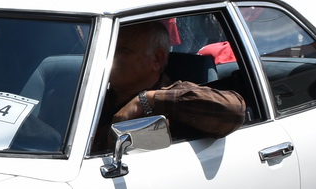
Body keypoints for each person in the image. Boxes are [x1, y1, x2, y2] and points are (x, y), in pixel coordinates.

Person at [90, 21, 247, 154]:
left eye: (123, 50)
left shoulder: (177, 95)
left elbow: (234, 110)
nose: (109, 58)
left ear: (157, 59)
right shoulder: (90, 97)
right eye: (109, 50)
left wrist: (146, 100)